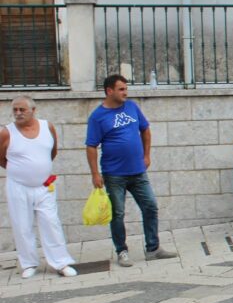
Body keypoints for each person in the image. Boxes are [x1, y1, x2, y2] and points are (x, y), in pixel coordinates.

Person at [86, 75, 177, 267]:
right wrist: (95, 174)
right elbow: (91, 146)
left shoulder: (132, 107)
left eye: (126, 88)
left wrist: (147, 155)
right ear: (109, 91)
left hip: (138, 171)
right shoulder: (97, 116)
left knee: (150, 206)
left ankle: (153, 248)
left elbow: (145, 130)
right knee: (117, 213)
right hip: (114, 174)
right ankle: (122, 251)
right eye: (121, 89)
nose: (125, 92)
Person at [1, 96, 76, 278]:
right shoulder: (6, 133)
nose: (18, 113)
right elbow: (1, 158)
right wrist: (21, 172)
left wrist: (39, 170)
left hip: (44, 186)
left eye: (22, 110)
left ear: (33, 111)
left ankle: (60, 262)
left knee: (51, 222)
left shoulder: (47, 127)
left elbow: (53, 151)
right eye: (15, 110)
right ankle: (28, 264)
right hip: (18, 186)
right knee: (22, 225)